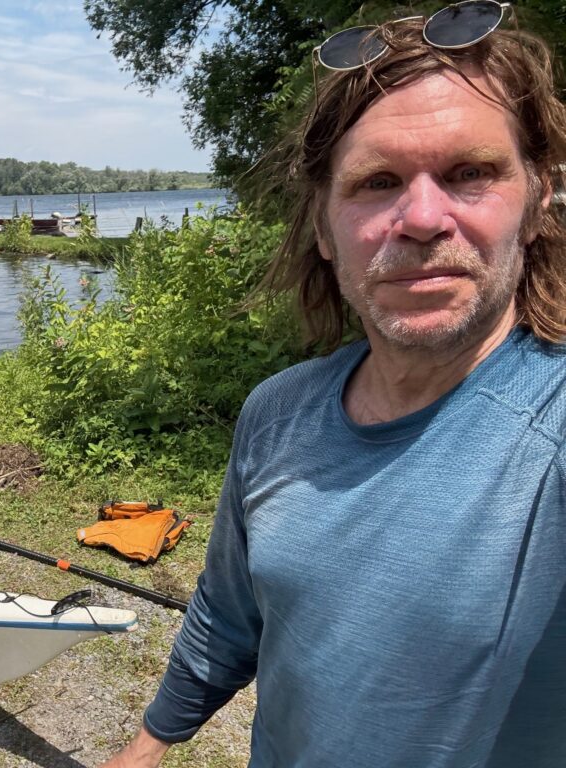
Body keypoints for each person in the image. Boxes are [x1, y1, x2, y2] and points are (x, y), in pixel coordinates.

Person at [102, 4, 566, 767]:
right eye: (377, 182)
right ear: (324, 227)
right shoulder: (277, 411)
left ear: (538, 199)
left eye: (470, 173)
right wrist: (148, 744)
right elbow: (228, 613)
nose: (421, 218)